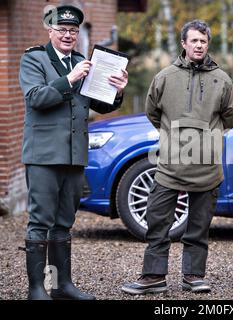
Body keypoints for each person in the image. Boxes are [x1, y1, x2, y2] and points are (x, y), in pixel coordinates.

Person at [19, 5, 128, 300]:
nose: (68, 35)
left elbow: (100, 104)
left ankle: (62, 286)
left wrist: (117, 91)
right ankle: (37, 288)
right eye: (62, 30)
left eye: (73, 30)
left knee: (65, 222)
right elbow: (36, 98)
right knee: (41, 221)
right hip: (43, 155)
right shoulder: (35, 59)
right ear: (51, 31)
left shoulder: (82, 62)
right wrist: (69, 79)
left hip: (74, 155)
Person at [121, 20, 233, 295]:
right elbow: (153, 112)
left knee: (198, 226)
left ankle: (194, 276)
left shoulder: (223, 80)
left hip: (206, 167)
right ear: (183, 44)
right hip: (169, 165)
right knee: (157, 222)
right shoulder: (164, 77)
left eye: (203, 41)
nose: (199, 45)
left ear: (208, 44)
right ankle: (153, 277)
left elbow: (229, 118)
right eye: (194, 40)